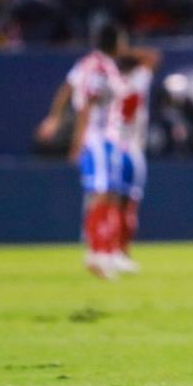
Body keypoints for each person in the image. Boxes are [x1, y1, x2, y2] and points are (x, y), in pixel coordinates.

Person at [37, 22, 127, 279]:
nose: (125, 45)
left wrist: (54, 117)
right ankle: (96, 251)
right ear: (115, 42)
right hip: (97, 138)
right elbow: (87, 103)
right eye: (123, 40)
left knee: (110, 194)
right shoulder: (99, 68)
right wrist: (78, 141)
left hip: (106, 138)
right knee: (100, 193)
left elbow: (67, 87)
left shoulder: (91, 64)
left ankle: (106, 250)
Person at [104, 49, 161, 273]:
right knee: (128, 204)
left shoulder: (113, 81)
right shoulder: (138, 80)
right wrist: (128, 51)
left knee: (113, 202)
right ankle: (120, 251)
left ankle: (109, 250)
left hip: (113, 146)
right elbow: (153, 57)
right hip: (131, 147)